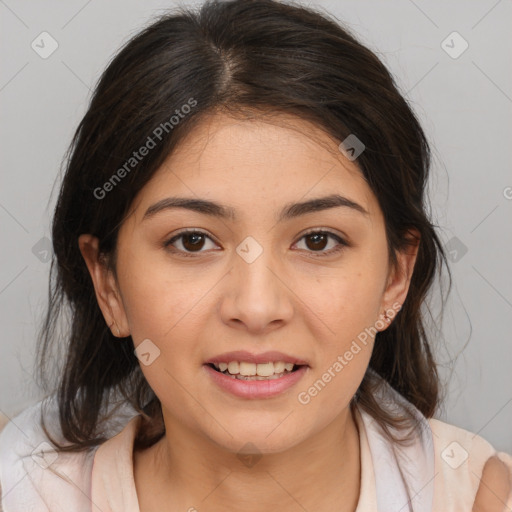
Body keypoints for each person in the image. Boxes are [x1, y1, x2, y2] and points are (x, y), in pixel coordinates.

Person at [0, 0, 510, 510]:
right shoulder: (20, 490)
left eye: (317, 240)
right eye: (192, 241)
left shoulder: (482, 497)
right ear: (108, 283)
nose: (258, 307)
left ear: (395, 277)